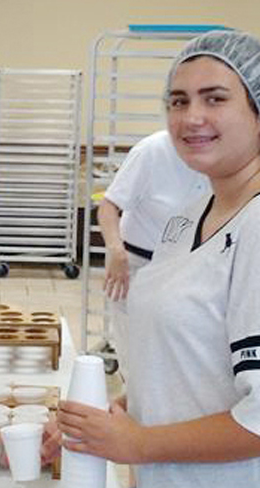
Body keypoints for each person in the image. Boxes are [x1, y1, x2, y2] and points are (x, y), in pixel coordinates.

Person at [48, 31, 260, 488]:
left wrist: (136, 445)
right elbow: (189, 356)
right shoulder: (193, 213)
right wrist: (110, 414)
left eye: (215, 98)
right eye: (178, 100)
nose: (191, 116)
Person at [94, 129, 210, 361]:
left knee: (175, 351)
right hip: (135, 263)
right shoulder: (151, 150)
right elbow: (108, 207)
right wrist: (117, 252)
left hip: (186, 266)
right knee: (134, 354)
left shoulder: (223, 153)